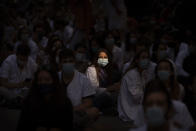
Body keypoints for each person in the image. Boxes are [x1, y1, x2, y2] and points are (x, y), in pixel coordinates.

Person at [17, 66, 73, 131]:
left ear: (54, 81)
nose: (43, 82)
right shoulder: (29, 102)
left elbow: (68, 127)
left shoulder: (65, 102)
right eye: (39, 80)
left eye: (47, 80)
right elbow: (21, 126)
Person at [58, 48, 99, 130]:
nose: (68, 64)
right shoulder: (54, 78)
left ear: (74, 63)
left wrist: (70, 110)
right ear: (60, 64)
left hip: (75, 112)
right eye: (65, 62)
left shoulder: (83, 79)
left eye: (70, 61)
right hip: (57, 113)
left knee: (94, 111)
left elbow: (88, 103)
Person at [118, 50, 155, 124]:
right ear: (137, 60)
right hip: (130, 108)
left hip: (137, 104)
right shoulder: (132, 74)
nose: (146, 60)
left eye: (147, 58)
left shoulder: (143, 73)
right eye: (143, 57)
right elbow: (136, 97)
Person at [86, 49, 121, 113]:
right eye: (101, 57)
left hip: (104, 94)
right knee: (107, 96)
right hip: (94, 97)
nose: (103, 59)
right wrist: (108, 89)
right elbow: (94, 90)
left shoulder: (104, 70)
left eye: (105, 57)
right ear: (96, 58)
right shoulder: (91, 69)